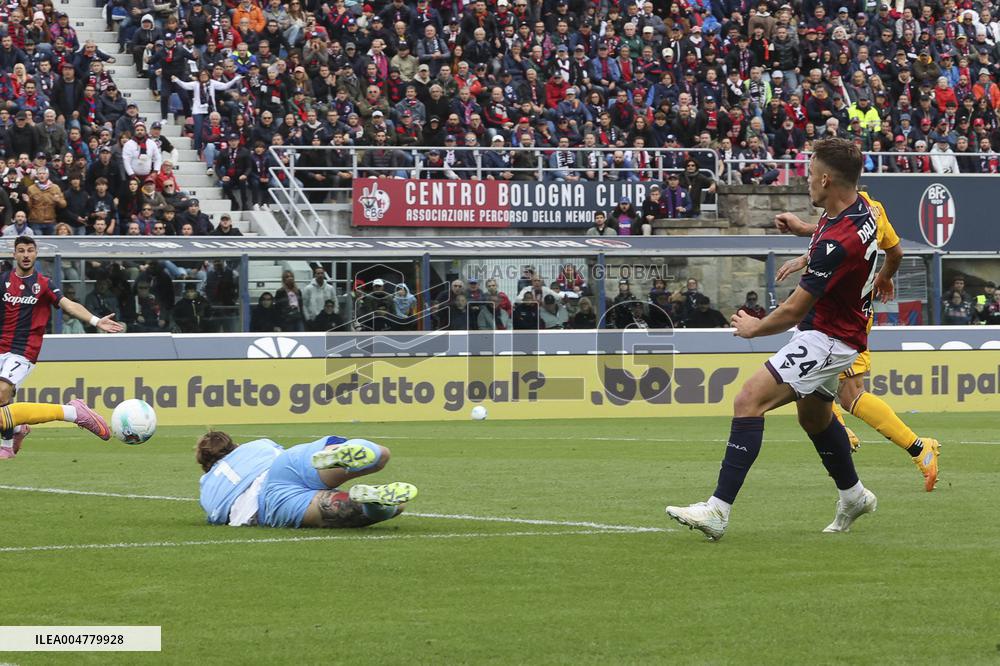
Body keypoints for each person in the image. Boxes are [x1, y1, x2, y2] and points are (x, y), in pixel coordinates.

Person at [666, 138, 881, 540]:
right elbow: (838, 236)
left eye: (810, 174)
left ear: (826, 179)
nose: (806, 181)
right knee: (813, 418)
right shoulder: (862, 210)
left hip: (828, 338)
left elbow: (793, 310)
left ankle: (718, 510)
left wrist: (754, 327)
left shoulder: (836, 243)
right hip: (837, 332)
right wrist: (805, 233)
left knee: (749, 400)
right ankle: (853, 495)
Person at [776, 190, 941, 491]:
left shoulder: (855, 211)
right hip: (839, 314)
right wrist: (884, 276)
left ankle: (909, 445)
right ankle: (851, 435)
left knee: (846, 392)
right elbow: (890, 251)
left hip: (843, 317)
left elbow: (843, 243)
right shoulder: (870, 209)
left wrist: (802, 242)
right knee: (820, 382)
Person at [0, 237, 124, 458]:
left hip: (23, 351)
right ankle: (13, 436)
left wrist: (96, 321)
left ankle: (73, 412)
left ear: (36, 254)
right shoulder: (3, 281)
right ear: (14, 254)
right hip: (1, 348)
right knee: (4, 402)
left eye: (30, 250)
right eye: (21, 250)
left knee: (2, 392)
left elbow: (68, 305)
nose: (26, 255)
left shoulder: (44, 284)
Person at [196, 432, 417, 528]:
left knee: (351, 509)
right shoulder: (257, 445)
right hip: (282, 466)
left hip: (268, 504)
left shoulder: (207, 488)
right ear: (233, 445)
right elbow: (280, 454)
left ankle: (375, 504)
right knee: (382, 455)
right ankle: (346, 452)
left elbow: (217, 517)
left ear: (206, 465)